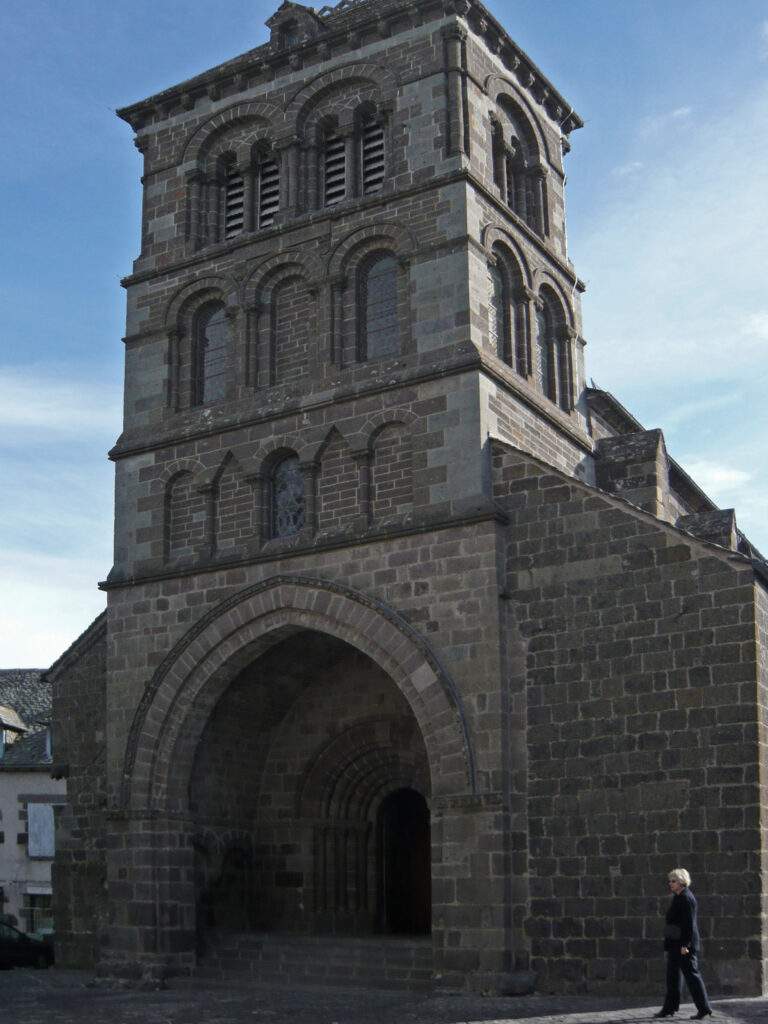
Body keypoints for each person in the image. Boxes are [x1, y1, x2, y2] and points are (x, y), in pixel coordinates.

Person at [654, 868, 713, 1019]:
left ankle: (704, 1008)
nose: (670, 884)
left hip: (684, 946)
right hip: (675, 944)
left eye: (673, 881)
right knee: (672, 976)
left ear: (681, 882)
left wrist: (685, 946)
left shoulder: (686, 898)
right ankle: (669, 1008)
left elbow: (689, 925)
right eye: (670, 881)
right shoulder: (678, 896)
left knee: (691, 975)